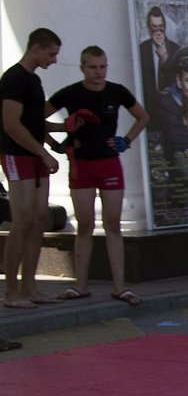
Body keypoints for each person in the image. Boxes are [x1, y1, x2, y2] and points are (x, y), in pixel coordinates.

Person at [45, 45, 149, 305]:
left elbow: (143, 116)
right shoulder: (71, 93)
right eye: (93, 67)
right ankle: (80, 285)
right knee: (85, 225)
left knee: (113, 225)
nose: (99, 72)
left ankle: (119, 286)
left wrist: (126, 140)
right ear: (82, 68)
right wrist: (56, 140)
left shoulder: (117, 91)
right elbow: (35, 118)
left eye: (103, 66)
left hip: (109, 164)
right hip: (81, 165)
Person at [1, 28, 62, 311]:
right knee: (22, 221)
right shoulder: (13, 79)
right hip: (17, 154)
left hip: (36, 155)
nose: (54, 60)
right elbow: (11, 124)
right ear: (36, 48)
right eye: (51, 53)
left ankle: (30, 286)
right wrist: (43, 153)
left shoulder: (34, 80)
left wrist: (63, 129)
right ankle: (11, 291)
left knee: (38, 220)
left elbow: (35, 121)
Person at [138, 6, 179, 98]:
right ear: (149, 29)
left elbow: (178, 83)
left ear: (165, 27)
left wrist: (165, 60)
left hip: (170, 106)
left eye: (161, 27)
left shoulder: (175, 49)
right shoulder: (142, 50)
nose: (158, 32)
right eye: (154, 28)